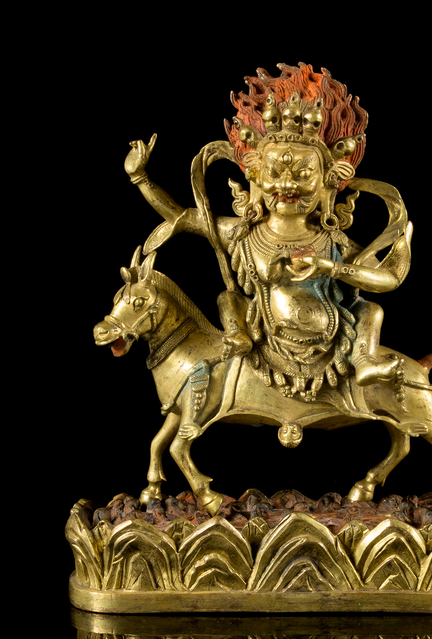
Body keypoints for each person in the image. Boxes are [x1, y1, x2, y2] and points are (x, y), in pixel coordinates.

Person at [124, 63, 412, 402]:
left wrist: (333, 267)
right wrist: (140, 178)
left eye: (303, 175)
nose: (287, 185)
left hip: (332, 340)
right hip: (267, 339)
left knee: (370, 310)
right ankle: (238, 337)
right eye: (275, 173)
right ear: (256, 178)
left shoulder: (331, 240)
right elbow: (183, 217)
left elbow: (387, 280)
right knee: (228, 299)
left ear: (327, 183)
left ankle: (363, 360)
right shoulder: (244, 233)